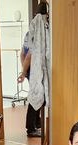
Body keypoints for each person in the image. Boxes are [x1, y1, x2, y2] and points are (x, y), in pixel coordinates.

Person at [17, 1, 49, 137]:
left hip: (31, 68)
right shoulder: (41, 31)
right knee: (37, 96)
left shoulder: (29, 33)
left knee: (37, 95)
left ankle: (36, 122)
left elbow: (22, 53)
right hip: (34, 68)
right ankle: (31, 127)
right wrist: (25, 72)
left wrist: (25, 71)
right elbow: (29, 55)